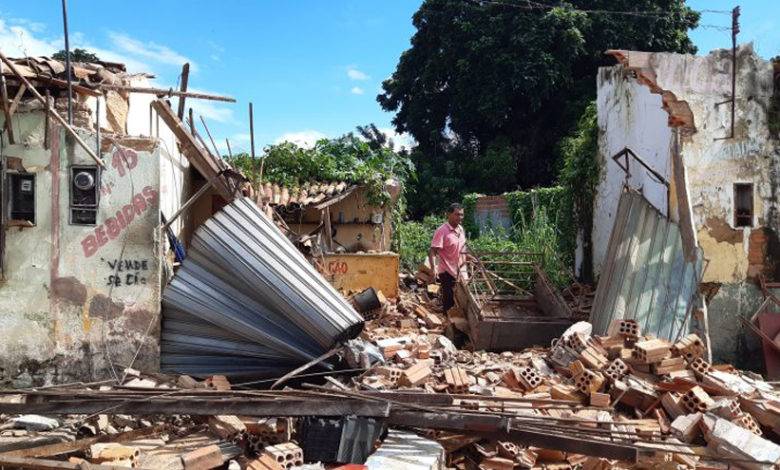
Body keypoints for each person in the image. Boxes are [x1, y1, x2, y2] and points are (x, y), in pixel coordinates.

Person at [429, 203, 467, 313]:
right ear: (448, 214)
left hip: (460, 270)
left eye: (461, 215)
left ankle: (456, 321)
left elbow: (463, 248)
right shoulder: (442, 230)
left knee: (461, 299)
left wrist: (469, 258)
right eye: (457, 214)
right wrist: (433, 269)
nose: (460, 217)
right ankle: (448, 325)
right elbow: (432, 251)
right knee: (449, 301)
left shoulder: (461, 229)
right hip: (447, 271)